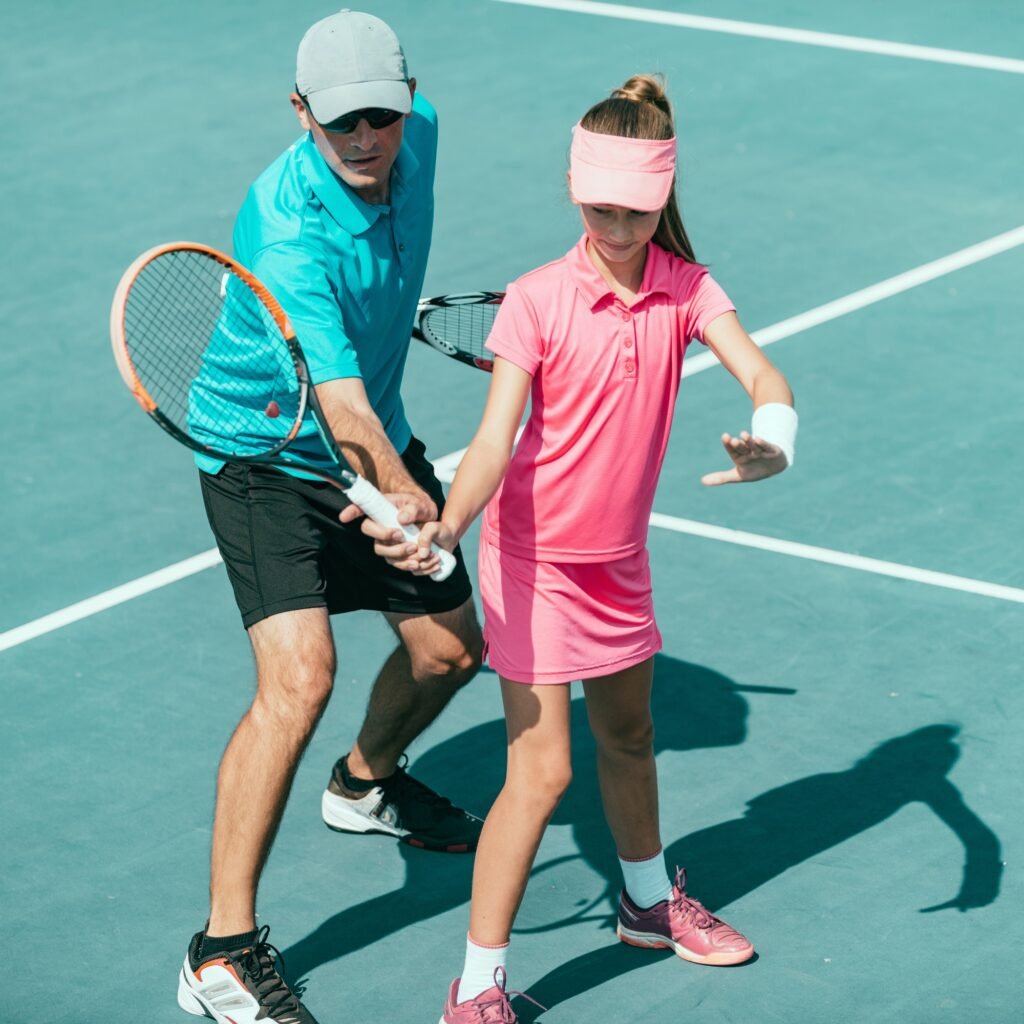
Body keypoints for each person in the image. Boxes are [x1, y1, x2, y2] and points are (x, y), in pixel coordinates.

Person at [392, 74, 798, 1021]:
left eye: (636, 211)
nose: (616, 228)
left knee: (630, 736)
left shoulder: (688, 288)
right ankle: (478, 988)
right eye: (600, 207)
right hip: (531, 564)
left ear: (662, 199)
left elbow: (762, 371)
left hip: (616, 563)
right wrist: (449, 525)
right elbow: (494, 441)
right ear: (576, 191)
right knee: (543, 772)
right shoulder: (535, 300)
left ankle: (649, 904)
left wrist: (774, 440)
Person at [175, 11, 484, 1024]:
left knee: (450, 652)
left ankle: (363, 784)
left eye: (380, 117)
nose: (364, 138)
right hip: (267, 455)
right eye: (340, 119)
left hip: (369, 431)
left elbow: (364, 412)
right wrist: (402, 496)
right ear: (300, 110)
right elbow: (340, 407)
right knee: (300, 677)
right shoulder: (283, 223)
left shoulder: (419, 128)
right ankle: (220, 950)